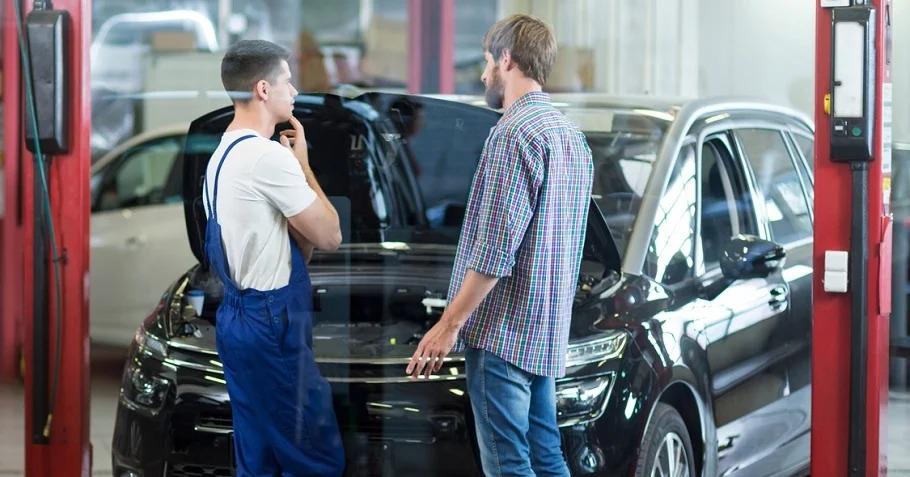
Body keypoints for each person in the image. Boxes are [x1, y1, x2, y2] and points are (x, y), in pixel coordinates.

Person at [407, 14, 594, 477]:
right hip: (545, 330)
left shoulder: (512, 136)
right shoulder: (572, 138)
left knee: (508, 467)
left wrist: (449, 324)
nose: (485, 74)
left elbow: (494, 252)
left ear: (507, 59)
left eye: (489, 61)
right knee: (547, 457)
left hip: (503, 335)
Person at [203, 39, 344, 476]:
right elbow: (329, 235)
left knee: (258, 456)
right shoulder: (267, 158)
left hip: (238, 319)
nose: (295, 92)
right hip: (271, 324)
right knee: (315, 459)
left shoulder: (221, 155)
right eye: (288, 81)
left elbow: (291, 244)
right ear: (264, 89)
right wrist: (302, 164)